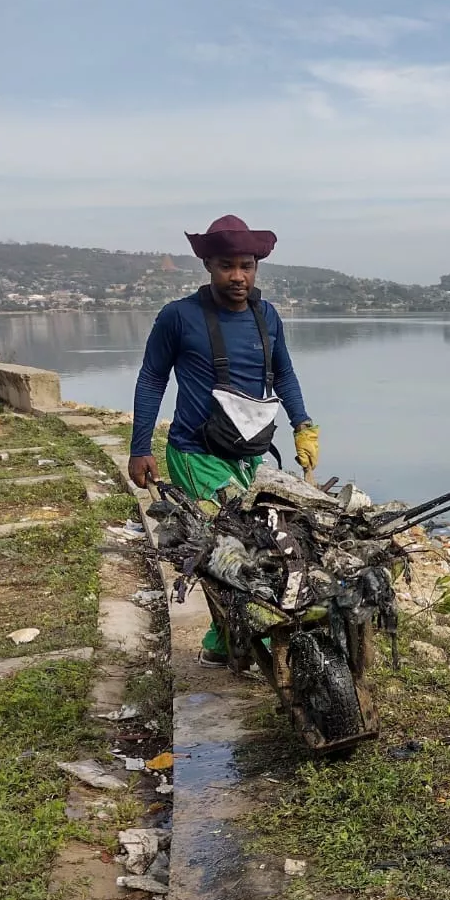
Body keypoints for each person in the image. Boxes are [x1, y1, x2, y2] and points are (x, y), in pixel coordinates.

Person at [128, 214, 320, 667]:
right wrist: (140, 448)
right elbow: (151, 379)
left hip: (250, 452)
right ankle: (246, 637)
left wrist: (303, 424)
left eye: (247, 266)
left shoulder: (266, 316)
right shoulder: (178, 317)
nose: (238, 276)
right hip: (196, 454)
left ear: (257, 267)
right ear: (208, 266)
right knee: (230, 549)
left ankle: (222, 643)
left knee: (263, 542)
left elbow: (285, 374)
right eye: (227, 266)